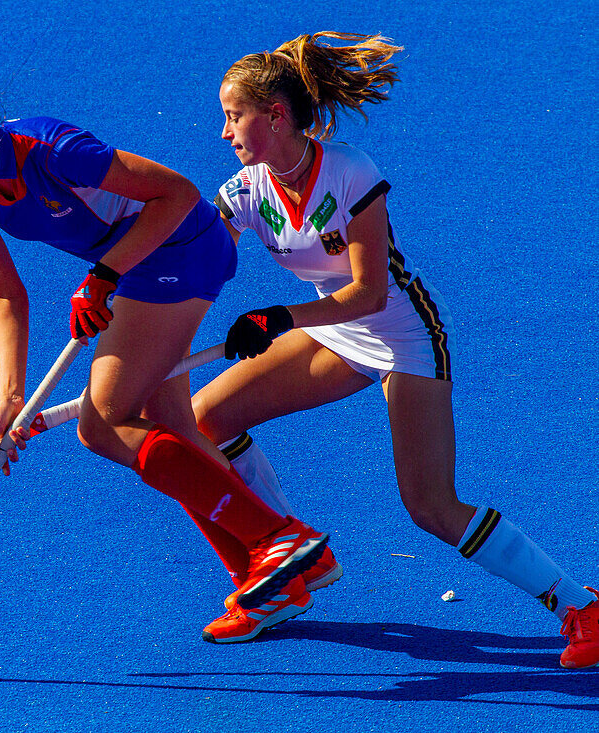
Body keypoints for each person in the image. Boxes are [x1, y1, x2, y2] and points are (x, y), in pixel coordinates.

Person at [188, 32, 599, 667]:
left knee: (429, 505)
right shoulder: (246, 191)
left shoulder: (350, 172)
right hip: (332, 330)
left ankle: (580, 605)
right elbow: (186, 265)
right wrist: (134, 322)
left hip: (403, 332)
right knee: (204, 422)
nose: (224, 133)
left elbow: (369, 294)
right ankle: (288, 567)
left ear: (274, 116)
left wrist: (276, 317)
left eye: (232, 115)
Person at [0, 65, 332, 626]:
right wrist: (10, 397)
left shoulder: (54, 150)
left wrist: (104, 275)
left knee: (102, 424)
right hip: (135, 269)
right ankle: (272, 580)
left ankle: (276, 538)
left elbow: (177, 195)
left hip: (182, 249)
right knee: (167, 422)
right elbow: (5, 295)